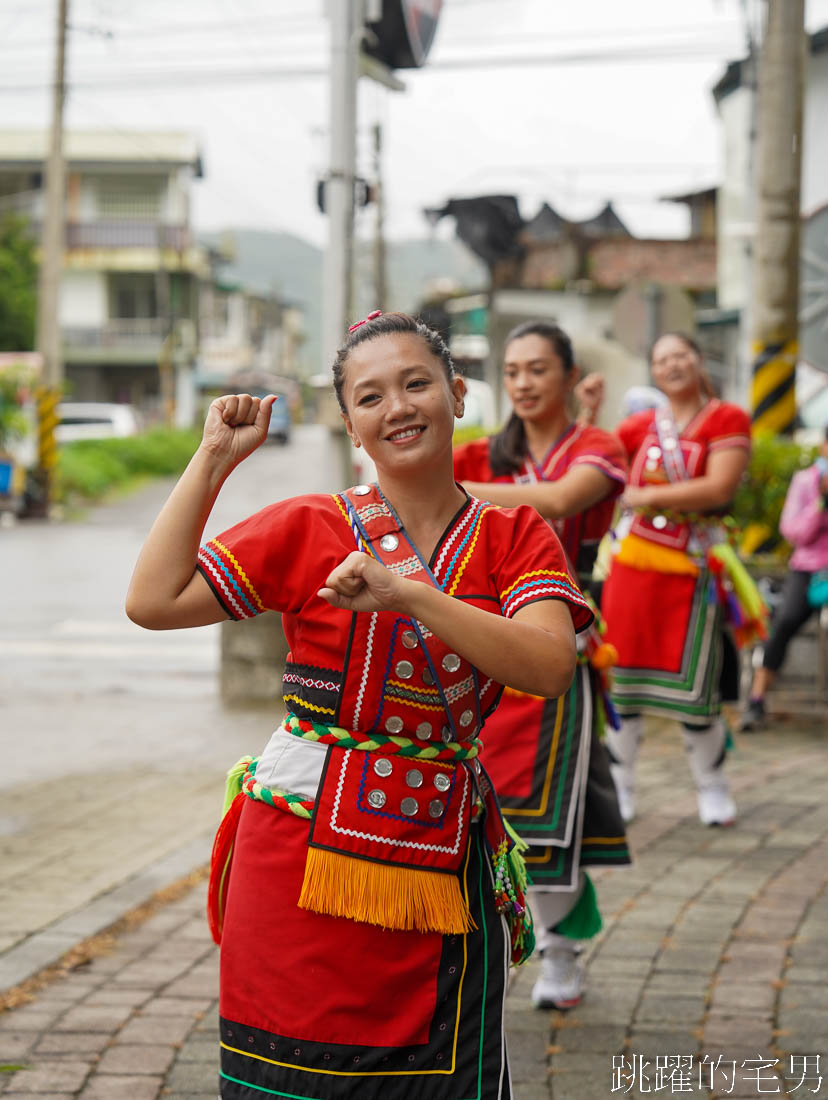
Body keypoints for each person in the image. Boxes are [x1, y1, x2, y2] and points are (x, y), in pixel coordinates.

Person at [126, 311, 592, 1100]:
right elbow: (153, 600)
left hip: (442, 863)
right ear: (350, 425)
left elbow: (549, 666)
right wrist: (212, 459)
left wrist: (407, 596)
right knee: (288, 1076)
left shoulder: (515, 537)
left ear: (458, 394)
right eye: (370, 397)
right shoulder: (309, 525)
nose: (398, 408)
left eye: (417, 384)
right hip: (296, 861)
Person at [453, 320, 631, 1012]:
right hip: (475, 639)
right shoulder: (479, 453)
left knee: (548, 811)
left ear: (567, 375)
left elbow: (557, 503)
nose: (523, 383)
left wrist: (451, 490)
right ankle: (484, 952)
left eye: (538, 370)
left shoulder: (596, 446)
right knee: (472, 801)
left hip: (559, 634)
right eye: (513, 371)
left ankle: (561, 952)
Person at [598, 332, 752, 827]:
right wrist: (588, 409)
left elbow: (719, 486)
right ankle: (621, 788)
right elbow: (593, 458)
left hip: (692, 566)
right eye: (661, 359)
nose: (672, 364)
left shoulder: (727, 419)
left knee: (697, 686)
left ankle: (712, 786)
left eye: (680, 354)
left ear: (699, 359)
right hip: (632, 568)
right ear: (654, 370)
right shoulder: (640, 425)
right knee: (620, 681)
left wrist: (644, 498)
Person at [741, 428, 828, 730]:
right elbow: (792, 531)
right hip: (807, 568)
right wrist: (820, 504)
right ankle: (757, 699)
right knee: (784, 622)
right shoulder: (806, 482)